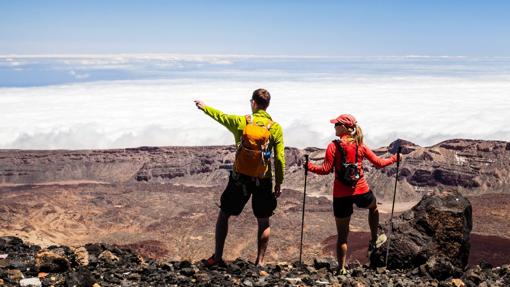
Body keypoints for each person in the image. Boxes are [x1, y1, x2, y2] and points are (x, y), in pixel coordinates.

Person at [194, 88, 285, 267]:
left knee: (225, 214)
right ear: (268, 105)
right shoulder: (275, 128)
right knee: (263, 220)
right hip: (263, 179)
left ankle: (218, 257)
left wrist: (204, 107)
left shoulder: (241, 122)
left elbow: (220, 116)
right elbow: (280, 158)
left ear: (253, 102)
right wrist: (279, 183)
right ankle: (260, 263)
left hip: (239, 178)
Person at [306, 114, 399, 275]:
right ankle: (374, 238)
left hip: (341, 195)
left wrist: (309, 166)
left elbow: (325, 170)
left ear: (344, 127)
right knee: (373, 207)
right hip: (361, 191)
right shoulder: (360, 145)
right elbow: (379, 163)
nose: (334, 127)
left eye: (336, 125)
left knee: (342, 236)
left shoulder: (333, 146)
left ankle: (341, 268)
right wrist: (395, 158)